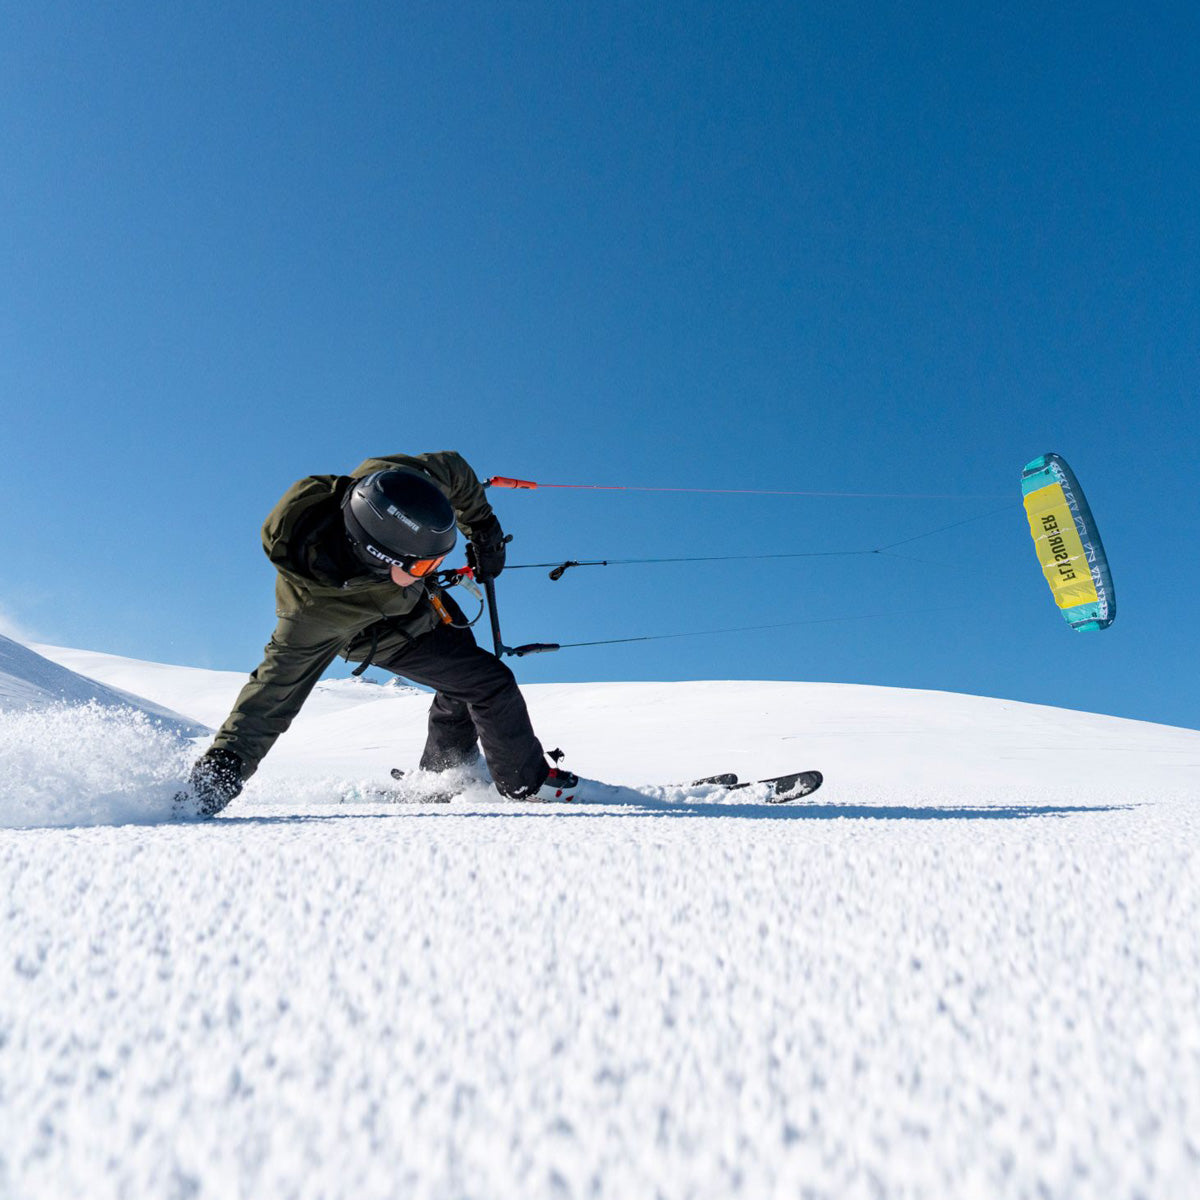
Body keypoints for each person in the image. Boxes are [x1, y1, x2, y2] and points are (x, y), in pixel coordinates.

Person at [183, 451, 578, 815]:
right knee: (491, 683)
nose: (437, 565)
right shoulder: (315, 613)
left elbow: (453, 470)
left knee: (462, 682)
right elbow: (271, 694)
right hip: (386, 635)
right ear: (376, 557)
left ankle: (444, 774)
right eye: (425, 564)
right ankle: (526, 784)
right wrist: (222, 771)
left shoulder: (391, 485)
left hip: (425, 605)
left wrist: (483, 528)